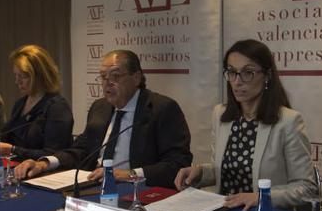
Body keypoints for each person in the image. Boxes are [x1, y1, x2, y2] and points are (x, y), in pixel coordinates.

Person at [14, 49, 192, 189]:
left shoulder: (162, 109)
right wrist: (44, 163)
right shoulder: (100, 107)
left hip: (136, 192)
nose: (107, 83)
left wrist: (128, 174)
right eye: (103, 77)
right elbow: (81, 150)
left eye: (115, 76)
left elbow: (177, 164)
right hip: (95, 187)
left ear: (136, 77)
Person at [175, 39, 317, 211]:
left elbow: (307, 188)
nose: (237, 81)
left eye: (247, 72)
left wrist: (261, 197)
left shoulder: (288, 121)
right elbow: (227, 169)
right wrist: (200, 173)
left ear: (267, 76)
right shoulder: (220, 114)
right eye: (232, 72)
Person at [0, 44, 73, 161]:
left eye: (23, 76)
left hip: (44, 174)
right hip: (17, 169)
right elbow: (7, 138)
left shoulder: (57, 108)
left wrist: (12, 150)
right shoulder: (20, 103)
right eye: (16, 75)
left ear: (40, 76)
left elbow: (54, 156)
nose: (17, 81)